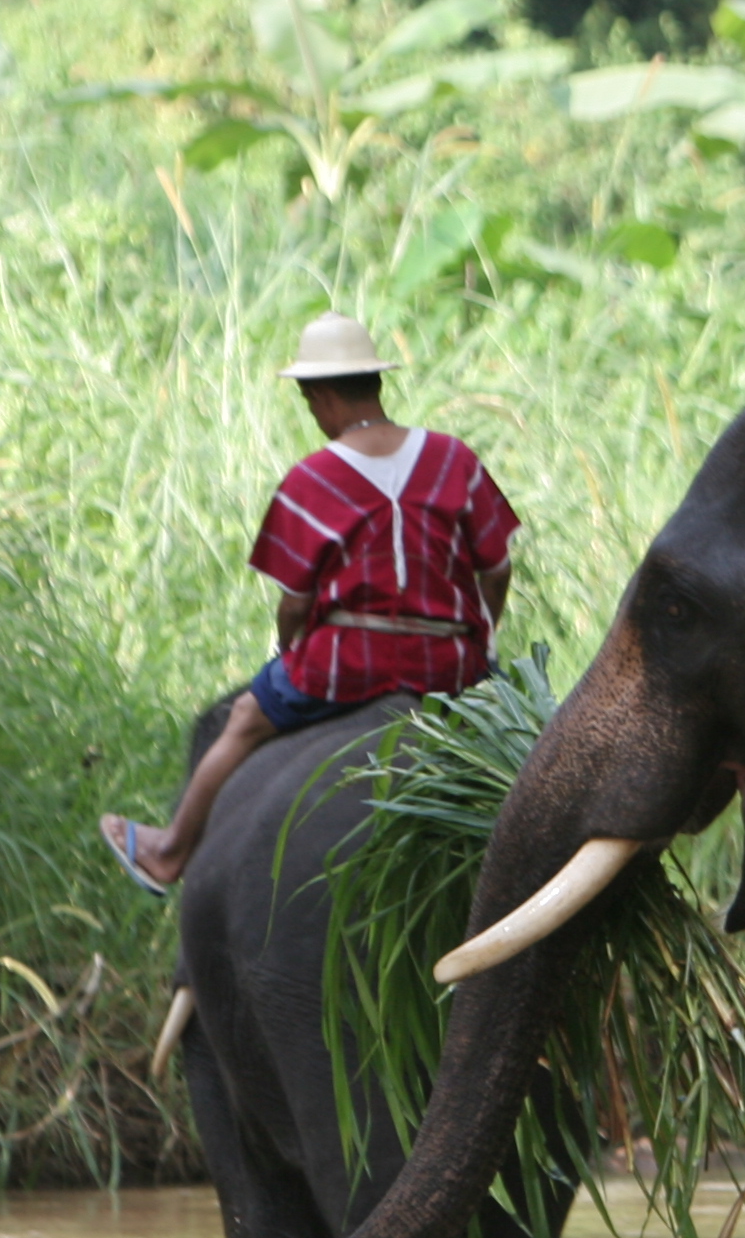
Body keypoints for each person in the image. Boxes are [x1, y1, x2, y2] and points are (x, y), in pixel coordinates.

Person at [99, 312, 519, 893]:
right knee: (530, 741)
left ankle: (169, 851)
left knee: (244, 718)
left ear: (321, 397)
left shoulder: (312, 479)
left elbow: (295, 604)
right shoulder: (454, 459)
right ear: (376, 382)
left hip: (347, 662)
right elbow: (496, 569)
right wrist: (482, 637)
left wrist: (290, 650)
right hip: (450, 665)